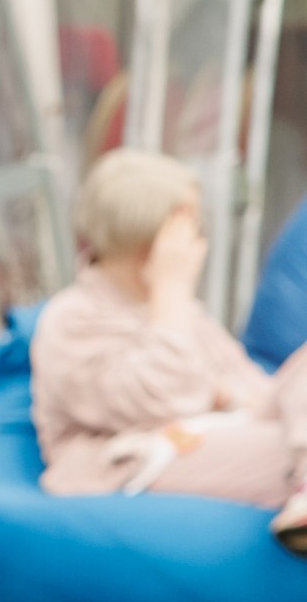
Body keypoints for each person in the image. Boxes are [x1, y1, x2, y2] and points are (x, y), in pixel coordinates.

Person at [32, 149, 307, 550]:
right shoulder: (73, 319)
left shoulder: (179, 312)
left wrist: (234, 395)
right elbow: (165, 400)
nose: (199, 243)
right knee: (281, 449)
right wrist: (171, 288)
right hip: (144, 455)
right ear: (153, 243)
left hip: (227, 429)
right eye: (191, 228)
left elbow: (254, 389)